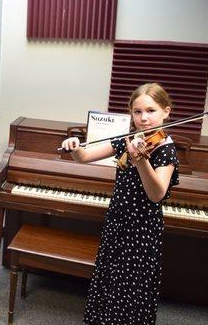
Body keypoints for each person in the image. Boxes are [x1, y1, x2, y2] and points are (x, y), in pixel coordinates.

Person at [61, 82, 179, 325]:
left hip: (142, 229)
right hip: (117, 221)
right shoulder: (128, 139)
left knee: (133, 288)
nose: (143, 118)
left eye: (151, 111)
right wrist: (73, 145)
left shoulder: (166, 150)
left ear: (166, 111)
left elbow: (156, 194)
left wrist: (141, 161)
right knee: (110, 280)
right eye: (137, 112)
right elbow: (84, 157)